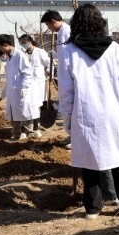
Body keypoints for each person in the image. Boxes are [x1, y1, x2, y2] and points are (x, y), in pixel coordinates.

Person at [59, 4, 119, 220]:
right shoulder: (113, 49)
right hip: (112, 111)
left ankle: (93, 208)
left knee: (88, 162)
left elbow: (66, 91)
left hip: (84, 113)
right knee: (118, 159)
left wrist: (67, 117)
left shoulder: (69, 51)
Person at [0, 35, 39, 141]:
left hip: (22, 91)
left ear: (6, 45)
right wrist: (4, 91)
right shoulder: (10, 58)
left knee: (25, 112)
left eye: (0, 47)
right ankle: (16, 134)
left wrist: (24, 88)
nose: (0, 50)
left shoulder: (20, 55)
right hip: (13, 91)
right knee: (14, 113)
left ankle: (30, 135)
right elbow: (10, 77)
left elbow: (28, 73)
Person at [42, 9, 72, 147]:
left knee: (70, 106)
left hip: (68, 75)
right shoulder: (61, 32)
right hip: (63, 73)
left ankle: (74, 137)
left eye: (48, 25)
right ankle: (71, 135)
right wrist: (54, 54)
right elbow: (62, 54)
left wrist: (57, 56)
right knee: (66, 106)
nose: (49, 28)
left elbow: (67, 56)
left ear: (53, 21)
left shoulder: (65, 31)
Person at [20, 34, 49, 137]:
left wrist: (49, 72)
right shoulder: (22, 54)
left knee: (36, 106)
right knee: (26, 105)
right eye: (21, 43)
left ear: (30, 42)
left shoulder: (40, 52)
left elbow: (48, 63)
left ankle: (36, 128)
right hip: (27, 84)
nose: (23, 45)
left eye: (24, 43)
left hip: (39, 83)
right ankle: (26, 129)